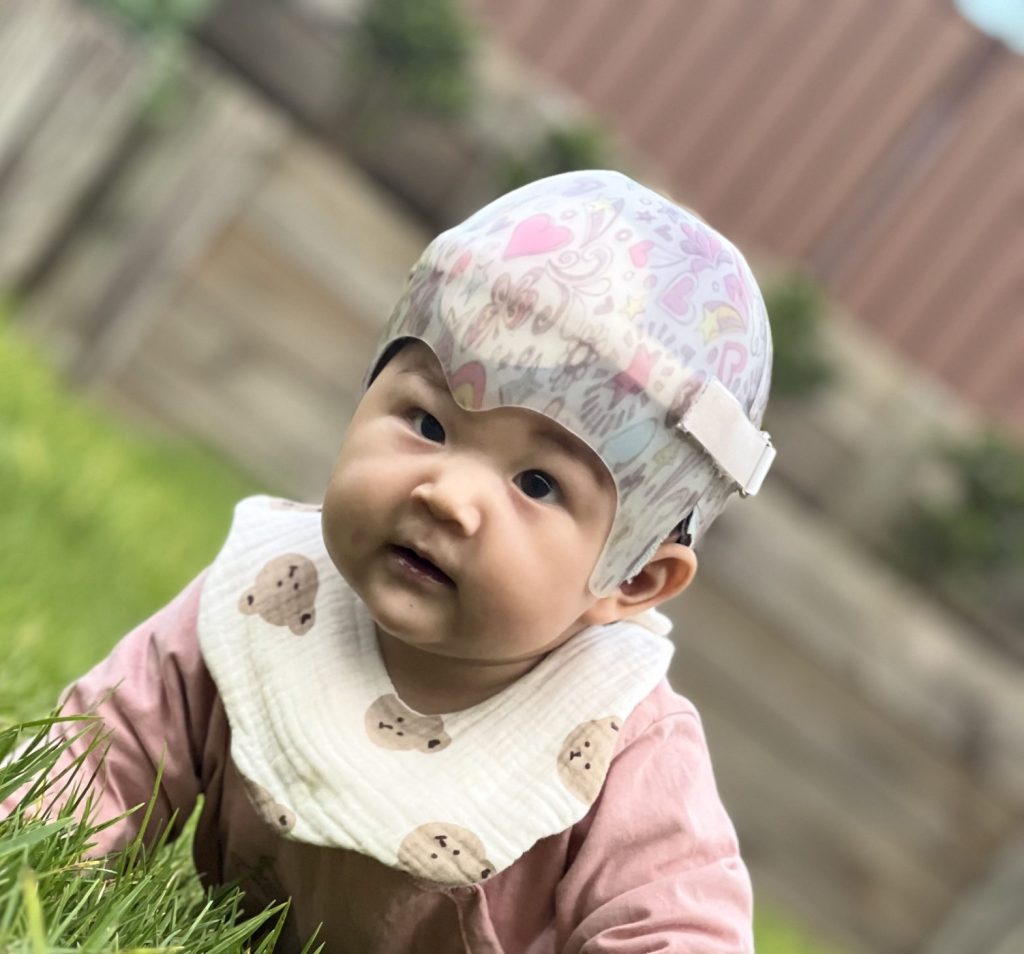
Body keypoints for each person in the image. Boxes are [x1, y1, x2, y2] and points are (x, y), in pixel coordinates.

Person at [5, 170, 774, 952]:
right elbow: (101, 753)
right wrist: (40, 872)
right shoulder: (274, 596)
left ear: (634, 577)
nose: (446, 494)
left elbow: (678, 933)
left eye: (536, 484)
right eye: (427, 422)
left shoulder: (623, 744)